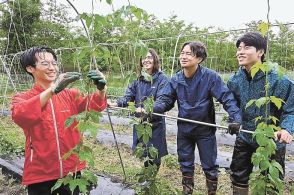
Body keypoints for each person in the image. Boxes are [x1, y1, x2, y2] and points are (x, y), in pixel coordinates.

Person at [11, 46, 107, 195]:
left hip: (71, 171)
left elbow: (95, 104)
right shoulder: (23, 98)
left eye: (54, 63)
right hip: (41, 174)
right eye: (45, 64)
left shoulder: (70, 95)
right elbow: (21, 115)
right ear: (30, 68)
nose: (52, 68)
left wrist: (101, 89)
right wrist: (53, 90)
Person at [153, 41, 241, 195]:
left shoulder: (210, 77)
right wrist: (152, 109)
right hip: (184, 129)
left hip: (205, 129)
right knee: (185, 163)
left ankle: (211, 192)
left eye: (189, 53)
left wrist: (236, 118)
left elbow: (227, 98)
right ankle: (187, 191)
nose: (183, 56)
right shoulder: (176, 79)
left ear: (199, 58)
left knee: (209, 164)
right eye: (182, 53)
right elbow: (165, 100)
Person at [228, 32, 294, 194]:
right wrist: (233, 119)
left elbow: (291, 109)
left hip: (270, 138)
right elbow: (232, 105)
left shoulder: (278, 80)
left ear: (261, 52)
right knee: (238, 174)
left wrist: (286, 129)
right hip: (245, 134)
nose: (240, 52)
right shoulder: (235, 80)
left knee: (271, 178)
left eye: (247, 47)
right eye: (239, 48)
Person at [108, 48, 168, 168]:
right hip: (140, 122)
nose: (146, 60)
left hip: (154, 123)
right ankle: (147, 175)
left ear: (155, 59)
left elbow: (162, 101)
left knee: (154, 152)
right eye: (144, 58)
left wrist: (148, 109)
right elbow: (128, 97)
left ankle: (151, 177)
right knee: (143, 150)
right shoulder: (138, 79)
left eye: (149, 57)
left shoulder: (162, 79)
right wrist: (116, 103)